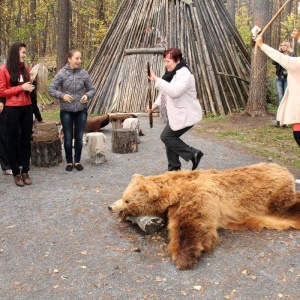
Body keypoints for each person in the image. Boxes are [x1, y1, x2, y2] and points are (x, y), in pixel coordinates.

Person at [148, 48, 203, 171]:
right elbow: (165, 92)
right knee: (170, 139)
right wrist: (155, 106)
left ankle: (193, 153)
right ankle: (174, 168)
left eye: (168, 61)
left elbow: (174, 92)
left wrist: (156, 79)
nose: (165, 64)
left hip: (186, 114)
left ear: (177, 60)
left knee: (167, 137)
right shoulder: (173, 73)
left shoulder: (184, 74)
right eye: (164, 61)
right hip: (175, 114)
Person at [256, 35, 300, 183]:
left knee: (298, 135)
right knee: (297, 131)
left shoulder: (297, 63)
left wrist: (262, 45)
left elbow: (282, 58)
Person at [48, 49, 95, 171]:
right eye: (77, 58)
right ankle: (69, 161)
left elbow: (92, 89)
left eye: (80, 58)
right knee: (68, 137)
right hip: (66, 110)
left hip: (81, 110)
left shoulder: (84, 73)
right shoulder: (62, 73)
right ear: (69, 59)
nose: (79, 61)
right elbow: (51, 89)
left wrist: (87, 96)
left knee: (79, 136)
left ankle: (77, 161)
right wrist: (62, 96)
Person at [0, 42, 35, 187]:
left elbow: (26, 87)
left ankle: (25, 171)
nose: (25, 55)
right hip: (12, 109)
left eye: (25, 53)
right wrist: (21, 88)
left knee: (26, 140)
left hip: (26, 108)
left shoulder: (25, 69)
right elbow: (2, 92)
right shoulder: (4, 70)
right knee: (12, 141)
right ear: (16, 53)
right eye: (23, 52)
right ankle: (15, 172)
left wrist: (30, 87)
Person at [272, 41, 294, 107]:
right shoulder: (279, 55)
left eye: (284, 45)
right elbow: (273, 62)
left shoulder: (292, 54)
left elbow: (294, 63)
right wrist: (279, 52)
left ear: (288, 46)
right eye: (281, 45)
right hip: (279, 78)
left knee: (286, 96)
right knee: (280, 96)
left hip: (288, 78)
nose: (283, 47)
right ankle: (280, 114)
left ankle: (286, 113)